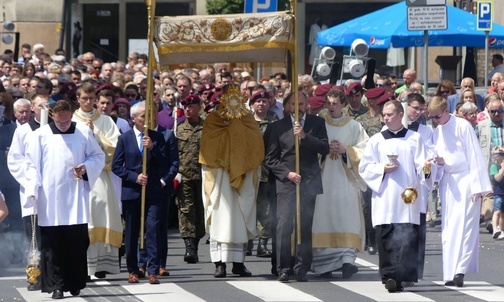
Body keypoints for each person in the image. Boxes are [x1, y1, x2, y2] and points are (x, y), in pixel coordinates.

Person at [24, 99, 105, 299]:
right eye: (60, 122)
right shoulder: (41, 136)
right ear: (53, 116)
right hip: (50, 198)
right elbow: (31, 164)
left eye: (67, 121)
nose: (63, 125)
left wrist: (86, 167)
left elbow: (97, 156)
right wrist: (33, 186)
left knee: (76, 242)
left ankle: (75, 282)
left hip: (75, 196)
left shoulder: (83, 133)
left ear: (71, 115)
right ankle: (56, 285)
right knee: (52, 245)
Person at [359, 100, 431, 293]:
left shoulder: (414, 139)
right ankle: (390, 277)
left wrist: (428, 168)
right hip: (386, 195)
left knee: (407, 234)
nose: (385, 118)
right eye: (384, 114)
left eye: (390, 114)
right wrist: (382, 168)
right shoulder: (376, 140)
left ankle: (405, 277)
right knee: (387, 236)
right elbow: (364, 168)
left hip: (408, 196)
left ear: (401, 115)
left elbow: (423, 167)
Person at [200, 83, 264, 278]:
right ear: (222, 98)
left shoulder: (247, 119)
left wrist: (236, 127)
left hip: (242, 175)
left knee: (238, 218)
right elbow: (207, 146)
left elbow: (255, 144)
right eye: (228, 95)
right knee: (220, 218)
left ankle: (238, 263)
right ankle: (219, 264)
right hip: (219, 175)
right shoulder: (213, 119)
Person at [427, 96, 492, 287]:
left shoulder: (463, 126)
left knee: (467, 227)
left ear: (446, 111)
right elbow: (434, 157)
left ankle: (460, 271)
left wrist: (477, 186)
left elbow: (474, 155)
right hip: (448, 182)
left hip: (467, 180)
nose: (435, 121)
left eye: (437, 117)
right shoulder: (436, 131)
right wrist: (437, 164)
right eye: (432, 118)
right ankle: (450, 271)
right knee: (450, 229)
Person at [265, 91, 329, 282]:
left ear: (306, 104)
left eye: (300, 104)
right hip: (287, 183)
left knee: (305, 226)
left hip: (308, 181)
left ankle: (302, 268)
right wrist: (287, 174)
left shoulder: (317, 123)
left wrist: (304, 136)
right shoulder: (277, 127)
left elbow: (324, 148)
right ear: (286, 106)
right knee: (284, 225)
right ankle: (284, 267)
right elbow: (270, 158)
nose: (297, 108)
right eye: (293, 104)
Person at [312, 89, 368, 278]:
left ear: (343, 104)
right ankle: (324, 265)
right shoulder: (319, 124)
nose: (332, 106)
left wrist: (346, 151)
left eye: (335, 103)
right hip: (324, 179)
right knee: (323, 218)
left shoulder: (354, 126)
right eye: (329, 103)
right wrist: (323, 149)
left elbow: (364, 150)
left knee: (347, 218)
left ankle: (346, 262)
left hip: (346, 181)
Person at [111, 101, 167, 285]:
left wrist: (152, 148)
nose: (147, 119)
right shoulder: (125, 138)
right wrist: (134, 177)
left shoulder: (156, 137)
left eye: (149, 116)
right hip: (132, 192)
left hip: (152, 192)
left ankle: (152, 269)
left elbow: (165, 163)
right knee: (132, 233)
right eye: (143, 116)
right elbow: (116, 166)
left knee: (152, 230)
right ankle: (133, 270)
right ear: (133, 118)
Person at [71, 82, 123, 279]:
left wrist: (95, 136)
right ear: (78, 98)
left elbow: (115, 148)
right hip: (77, 177)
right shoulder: (71, 120)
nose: (88, 102)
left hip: (100, 176)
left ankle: (100, 265)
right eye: (84, 98)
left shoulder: (107, 121)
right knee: (83, 219)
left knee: (101, 214)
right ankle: (81, 265)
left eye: (91, 99)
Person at [7, 94, 50, 291]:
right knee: (33, 236)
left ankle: (52, 275)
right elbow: (15, 160)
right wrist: (32, 180)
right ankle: (34, 276)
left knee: (51, 235)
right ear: (33, 107)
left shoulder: (55, 129)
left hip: (52, 192)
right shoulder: (23, 131)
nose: (44, 108)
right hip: (32, 190)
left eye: (47, 105)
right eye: (40, 105)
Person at [175, 94, 206, 264]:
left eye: (191, 106)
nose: (188, 109)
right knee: (186, 210)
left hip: (203, 175)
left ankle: (197, 242)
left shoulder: (207, 127)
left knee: (200, 211)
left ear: (199, 107)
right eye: (185, 106)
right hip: (184, 175)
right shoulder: (179, 128)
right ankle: (189, 247)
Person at [249, 91, 277, 258]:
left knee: (265, 209)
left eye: (264, 101)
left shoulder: (274, 122)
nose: (261, 104)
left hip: (267, 171)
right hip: (248, 170)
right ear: (252, 104)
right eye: (257, 101)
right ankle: (247, 241)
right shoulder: (245, 122)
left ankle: (263, 243)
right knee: (248, 206)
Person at [490, 149, 504, 240]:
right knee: (497, 211)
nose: (497, 156)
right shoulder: (494, 166)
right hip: (498, 192)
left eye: (500, 154)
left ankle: (501, 230)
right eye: (496, 154)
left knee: (503, 214)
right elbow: (497, 178)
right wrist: (503, 169)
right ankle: (495, 229)